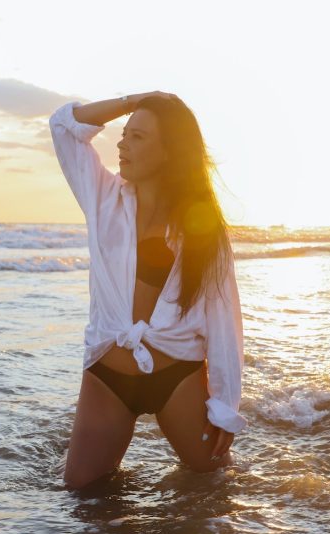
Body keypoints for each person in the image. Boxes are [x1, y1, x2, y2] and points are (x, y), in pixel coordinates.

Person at [49, 91, 246, 490]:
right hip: (108, 376)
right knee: (82, 496)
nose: (121, 144)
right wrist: (133, 101)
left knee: (214, 494)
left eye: (138, 137)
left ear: (170, 152)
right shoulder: (102, 197)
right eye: (124, 134)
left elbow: (224, 321)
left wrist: (225, 407)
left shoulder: (203, 230)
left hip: (177, 375)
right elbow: (63, 126)